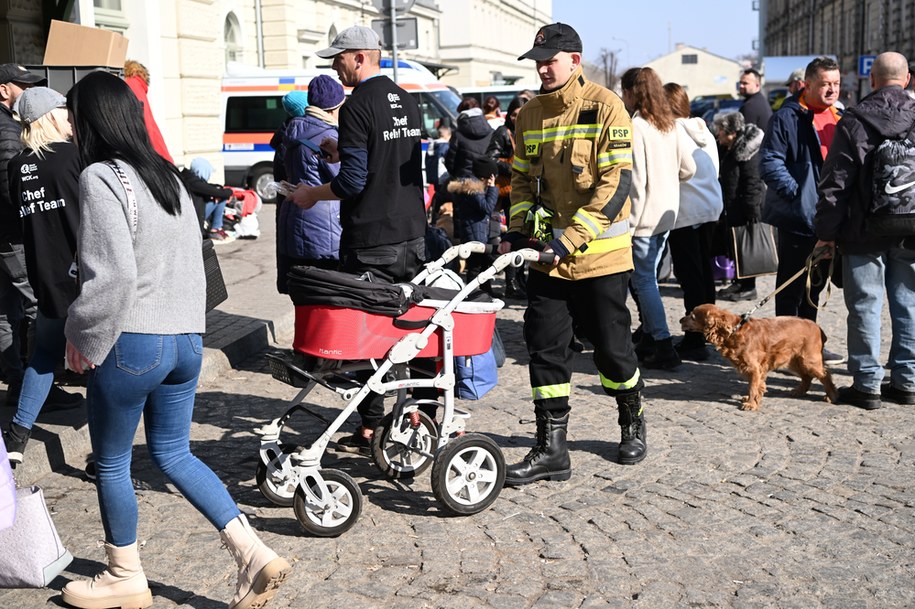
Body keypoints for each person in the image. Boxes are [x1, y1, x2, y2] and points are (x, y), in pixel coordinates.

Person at [60, 71, 290, 609]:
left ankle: (124, 576)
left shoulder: (101, 177)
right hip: (186, 340)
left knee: (113, 462)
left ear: (91, 120)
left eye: (74, 118)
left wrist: (80, 336)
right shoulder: (165, 176)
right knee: (174, 453)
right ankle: (253, 552)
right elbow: (194, 266)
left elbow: (108, 277)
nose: (70, 128)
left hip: (135, 341)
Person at [499, 22, 646, 484]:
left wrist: (572, 236)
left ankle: (631, 419)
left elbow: (616, 184)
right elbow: (521, 178)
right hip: (548, 260)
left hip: (601, 257)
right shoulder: (529, 114)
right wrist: (520, 231)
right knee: (545, 348)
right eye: (538, 61)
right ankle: (552, 450)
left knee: (612, 349)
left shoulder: (606, 107)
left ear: (574, 61)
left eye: (550, 60)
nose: (542, 69)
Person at [289, 26, 427, 454]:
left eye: (339, 58)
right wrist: (341, 150)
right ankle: (419, 416)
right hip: (413, 235)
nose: (335, 65)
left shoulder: (355, 106)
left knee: (370, 337)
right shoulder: (406, 98)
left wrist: (311, 194)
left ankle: (370, 427)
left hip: (371, 239)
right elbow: (389, 162)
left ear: (360, 57)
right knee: (412, 328)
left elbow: (352, 182)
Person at [814, 52, 915, 410]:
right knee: (908, 303)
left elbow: (835, 182)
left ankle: (867, 384)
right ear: (906, 80)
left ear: (872, 81)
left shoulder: (854, 121)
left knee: (864, 306)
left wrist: (826, 231)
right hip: (912, 228)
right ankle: (906, 381)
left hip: (862, 229)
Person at [2, 87, 84, 468]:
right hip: (83, 275)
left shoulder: (18, 165)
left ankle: (18, 434)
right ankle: (105, 453)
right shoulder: (75, 158)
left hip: (45, 276)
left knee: (44, 355)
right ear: (50, 117)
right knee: (100, 362)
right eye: (65, 112)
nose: (70, 118)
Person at [759, 56, 844, 365]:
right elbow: (769, 162)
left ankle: (811, 346)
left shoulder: (841, 114)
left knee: (816, 287)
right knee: (791, 286)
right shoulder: (788, 117)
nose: (832, 90)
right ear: (808, 85)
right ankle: (783, 349)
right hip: (797, 218)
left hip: (829, 219)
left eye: (836, 84)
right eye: (825, 84)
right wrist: (798, 194)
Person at [620, 67, 696, 370]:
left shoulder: (637, 126)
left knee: (644, 281)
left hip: (644, 218)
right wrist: (668, 178)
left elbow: (636, 182)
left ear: (631, 93)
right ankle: (653, 340)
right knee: (646, 279)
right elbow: (688, 168)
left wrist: (631, 224)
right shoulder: (668, 124)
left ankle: (663, 343)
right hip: (667, 214)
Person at [663, 82, 723, 361]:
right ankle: (711, 331)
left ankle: (695, 337)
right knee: (705, 275)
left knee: (690, 277)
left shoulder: (672, 132)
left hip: (687, 210)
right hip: (710, 207)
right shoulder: (703, 130)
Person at [0, 64, 44, 409]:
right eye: (22, 85)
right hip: (11, 234)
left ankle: (16, 382)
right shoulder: (7, 127)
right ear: (4, 90)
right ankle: (36, 387)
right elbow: (9, 182)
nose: (28, 92)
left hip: (4, 234)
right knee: (35, 305)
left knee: (6, 311)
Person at [277, 74, 344, 293]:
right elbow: (345, 182)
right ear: (335, 108)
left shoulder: (292, 132)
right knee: (326, 298)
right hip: (324, 230)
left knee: (303, 297)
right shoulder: (327, 136)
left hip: (294, 221)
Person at [714, 112, 766, 302]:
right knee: (736, 248)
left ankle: (749, 287)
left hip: (745, 209)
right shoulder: (730, 148)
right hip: (734, 207)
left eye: (721, 131)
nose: (718, 135)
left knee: (746, 250)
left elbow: (753, 181)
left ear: (732, 133)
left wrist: (752, 212)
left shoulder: (746, 152)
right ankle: (739, 282)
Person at [486, 95, 529, 297]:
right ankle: (511, 283)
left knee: (524, 237)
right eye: (513, 115)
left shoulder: (529, 130)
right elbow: (489, 160)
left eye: (521, 115)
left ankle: (520, 279)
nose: (516, 118)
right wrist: (512, 168)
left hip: (527, 191)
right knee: (514, 236)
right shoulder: (503, 132)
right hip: (511, 192)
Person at [448, 156, 500, 292]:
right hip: (475, 234)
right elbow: (487, 208)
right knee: (476, 266)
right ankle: (470, 293)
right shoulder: (474, 190)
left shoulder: (471, 187)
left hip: (474, 232)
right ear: (487, 176)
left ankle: (485, 292)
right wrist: (493, 188)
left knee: (483, 266)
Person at [123, 59, 173, 163]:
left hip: (152, 154)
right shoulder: (137, 84)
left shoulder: (132, 83)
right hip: (158, 153)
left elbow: (144, 120)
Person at [180, 157, 236, 242]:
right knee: (222, 198)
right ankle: (215, 229)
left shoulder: (189, 178)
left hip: (191, 213)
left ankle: (215, 227)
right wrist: (227, 192)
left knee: (218, 196)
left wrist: (217, 190)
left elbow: (209, 188)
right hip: (194, 216)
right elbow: (220, 193)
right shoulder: (194, 183)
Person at [445, 96, 493, 180]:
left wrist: (456, 175)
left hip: (465, 180)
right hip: (487, 178)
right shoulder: (490, 130)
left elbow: (450, 160)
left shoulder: (458, 133)